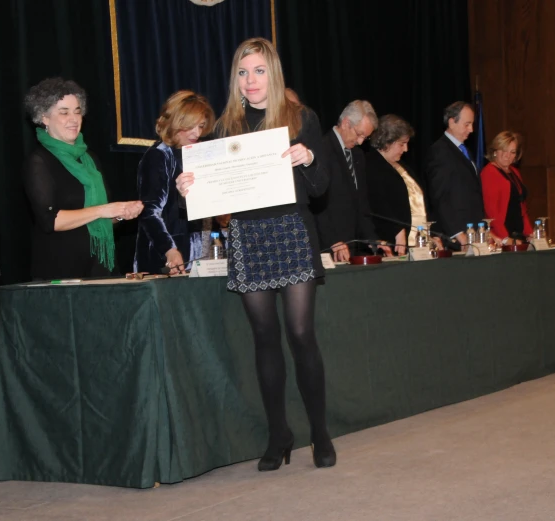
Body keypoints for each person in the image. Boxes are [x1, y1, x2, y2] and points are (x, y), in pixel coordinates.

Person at [175, 37, 336, 470]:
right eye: (243, 72)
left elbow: (321, 188)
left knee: (301, 335)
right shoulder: (226, 126)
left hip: (292, 231)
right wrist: (188, 189)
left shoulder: (302, 119)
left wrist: (307, 159)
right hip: (248, 236)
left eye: (259, 71)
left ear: (274, 73)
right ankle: (278, 433)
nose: (250, 81)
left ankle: (320, 432)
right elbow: (207, 199)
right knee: (264, 339)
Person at [23, 78, 143, 280]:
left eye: (77, 111)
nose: (74, 118)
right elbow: (50, 220)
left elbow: (101, 218)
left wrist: (122, 213)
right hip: (61, 270)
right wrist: (104, 210)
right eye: (64, 112)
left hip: (101, 267)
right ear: (44, 117)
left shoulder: (89, 159)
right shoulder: (39, 161)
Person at [134, 90, 216, 274]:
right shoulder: (159, 156)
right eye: (190, 126)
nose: (197, 132)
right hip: (167, 255)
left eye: (201, 126)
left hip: (199, 253)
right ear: (174, 123)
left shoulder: (200, 153)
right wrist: (169, 250)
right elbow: (149, 212)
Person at [311, 100, 391, 261]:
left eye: (365, 137)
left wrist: (372, 239)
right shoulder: (321, 149)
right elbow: (317, 204)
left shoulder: (357, 155)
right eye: (359, 134)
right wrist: (333, 241)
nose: (361, 141)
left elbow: (361, 204)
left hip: (351, 246)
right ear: (346, 123)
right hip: (328, 246)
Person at [365, 114, 433, 254]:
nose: (406, 149)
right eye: (402, 144)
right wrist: (397, 230)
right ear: (387, 142)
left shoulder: (402, 166)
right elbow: (378, 204)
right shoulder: (371, 165)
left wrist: (432, 235)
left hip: (416, 242)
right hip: (392, 243)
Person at [424, 101, 484, 248]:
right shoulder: (440, 152)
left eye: (472, 124)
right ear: (451, 122)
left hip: (472, 232)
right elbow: (440, 197)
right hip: (456, 237)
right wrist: (458, 233)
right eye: (467, 124)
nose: (471, 129)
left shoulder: (463, 150)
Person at [480, 131, 533, 243]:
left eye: (512, 152)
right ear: (495, 151)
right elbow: (491, 212)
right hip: (500, 238)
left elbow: (521, 207)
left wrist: (530, 234)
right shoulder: (489, 173)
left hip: (518, 235)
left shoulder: (514, 172)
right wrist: (505, 239)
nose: (507, 156)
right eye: (504, 151)